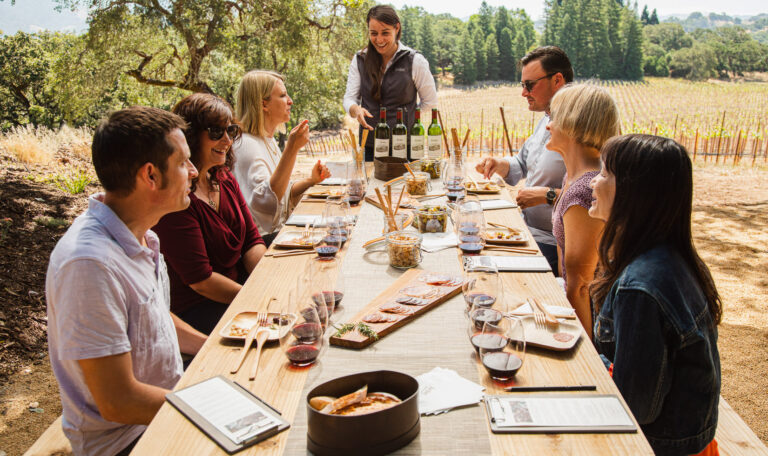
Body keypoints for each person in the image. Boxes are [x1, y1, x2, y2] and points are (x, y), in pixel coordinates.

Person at [46, 106, 207, 456]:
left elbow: (155, 318)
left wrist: (213, 349)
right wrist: (209, 409)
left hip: (164, 410)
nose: (195, 172)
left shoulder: (142, 235)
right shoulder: (90, 265)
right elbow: (118, 402)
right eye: (183, 163)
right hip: (128, 441)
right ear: (150, 175)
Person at [590, 134, 721, 456]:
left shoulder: (642, 287)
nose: (593, 181)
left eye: (605, 173)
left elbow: (636, 408)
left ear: (634, 193)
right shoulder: (667, 256)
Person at [153, 94, 267, 335]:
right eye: (216, 132)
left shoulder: (223, 177)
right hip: (200, 308)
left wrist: (268, 282)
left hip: (238, 288)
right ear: (191, 136)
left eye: (231, 131)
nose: (227, 140)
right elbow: (201, 281)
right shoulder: (178, 200)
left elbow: (251, 241)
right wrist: (257, 298)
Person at [476, 46, 572, 273]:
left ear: (557, 80)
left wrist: (547, 195)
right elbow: (522, 163)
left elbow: (595, 194)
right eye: (523, 85)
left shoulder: (580, 125)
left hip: (552, 244)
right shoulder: (547, 118)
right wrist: (499, 164)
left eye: (529, 85)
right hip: (525, 231)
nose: (523, 93)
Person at [546, 83, 620, 336]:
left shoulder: (584, 190)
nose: (548, 125)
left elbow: (581, 286)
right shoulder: (573, 177)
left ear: (573, 123)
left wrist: (583, 353)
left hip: (595, 324)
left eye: (553, 117)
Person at [233, 70, 330, 242]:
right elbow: (267, 202)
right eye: (283, 95)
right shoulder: (246, 144)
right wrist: (291, 149)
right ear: (264, 104)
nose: (290, 101)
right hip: (261, 241)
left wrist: (311, 180)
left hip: (278, 233)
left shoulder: (267, 140)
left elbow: (282, 193)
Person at [342, 4, 438, 161]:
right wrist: (355, 109)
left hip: (406, 146)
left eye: (385, 33)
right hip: (370, 145)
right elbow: (349, 98)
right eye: (373, 33)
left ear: (397, 28)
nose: (379, 39)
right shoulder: (360, 59)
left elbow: (431, 102)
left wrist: (408, 116)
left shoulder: (415, 61)